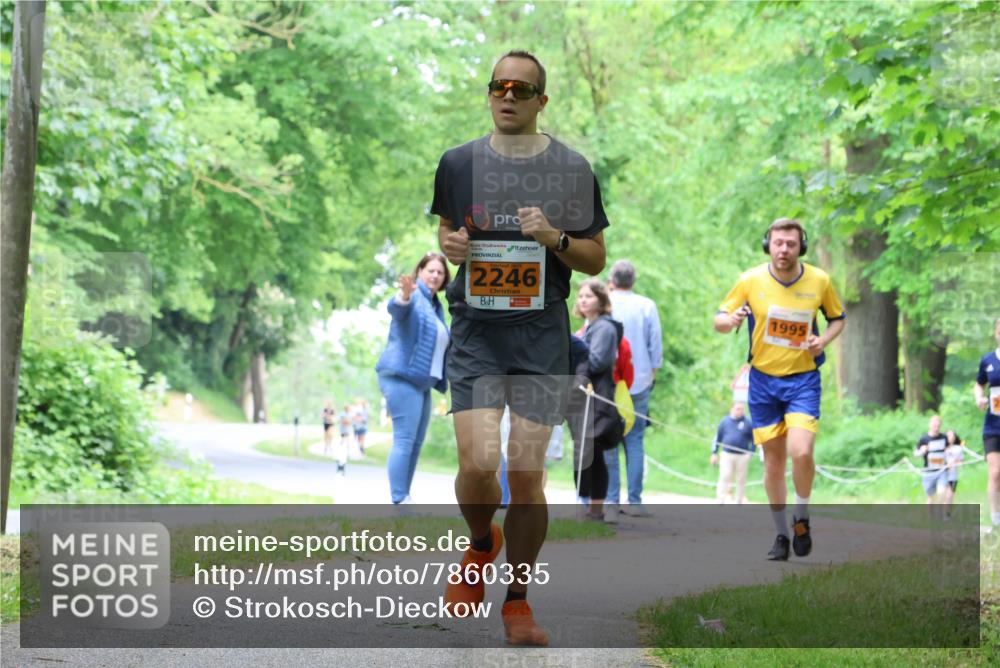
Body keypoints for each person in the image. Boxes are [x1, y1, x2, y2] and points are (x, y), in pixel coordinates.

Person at [433, 49, 609, 646]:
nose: (507, 95)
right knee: (478, 466)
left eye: (521, 88)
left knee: (525, 474)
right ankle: (483, 543)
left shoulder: (571, 168)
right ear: (489, 94)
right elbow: (446, 229)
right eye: (497, 86)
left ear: (541, 100)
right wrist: (453, 245)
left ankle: (517, 603)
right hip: (477, 331)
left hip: (539, 334)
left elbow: (593, 256)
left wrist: (552, 236)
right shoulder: (458, 163)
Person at [714, 218, 845, 561]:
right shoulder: (750, 280)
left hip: (803, 379)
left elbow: (838, 318)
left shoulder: (819, 280)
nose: (783, 249)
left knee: (801, 452)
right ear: (767, 245)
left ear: (801, 246)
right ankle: (780, 535)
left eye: (790, 243)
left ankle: (801, 517)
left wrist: (822, 341)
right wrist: (731, 321)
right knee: (773, 463)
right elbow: (719, 320)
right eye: (777, 243)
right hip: (762, 382)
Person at [375, 253, 451, 504]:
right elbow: (397, 308)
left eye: (440, 272)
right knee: (404, 440)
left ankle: (403, 497)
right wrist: (404, 294)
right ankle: (399, 498)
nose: (435, 275)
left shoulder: (435, 306)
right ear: (419, 272)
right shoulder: (415, 298)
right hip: (402, 378)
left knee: (415, 444)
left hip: (423, 383)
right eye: (430, 270)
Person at [604, 260, 662, 518]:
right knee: (635, 440)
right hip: (638, 381)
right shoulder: (646, 305)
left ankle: (611, 500)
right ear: (633, 281)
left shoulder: (605, 301)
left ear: (611, 280)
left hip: (608, 381)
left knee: (609, 441)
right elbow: (655, 342)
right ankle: (635, 500)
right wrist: (653, 371)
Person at [568, 279, 621, 522]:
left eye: (589, 296)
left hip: (597, 396)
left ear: (601, 299)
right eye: (580, 296)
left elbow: (598, 361)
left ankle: (594, 507)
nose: (583, 300)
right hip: (585, 396)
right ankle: (589, 506)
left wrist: (577, 357)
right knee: (587, 451)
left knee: (593, 451)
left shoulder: (604, 328)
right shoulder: (590, 327)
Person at [974, 316, 1000, 531]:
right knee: (995, 472)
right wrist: (979, 398)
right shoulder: (988, 360)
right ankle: (995, 518)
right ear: (996, 333)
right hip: (993, 425)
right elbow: (978, 385)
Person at [711, 402, 755, 504]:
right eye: (738, 409)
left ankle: (739, 500)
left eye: (742, 409)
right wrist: (714, 452)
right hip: (727, 454)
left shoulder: (748, 423)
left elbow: (754, 439)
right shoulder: (724, 421)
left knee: (741, 479)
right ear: (732, 409)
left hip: (742, 456)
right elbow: (718, 437)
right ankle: (720, 499)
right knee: (725, 476)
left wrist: (751, 453)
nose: (740, 411)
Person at [915, 415, 949, 513]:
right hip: (929, 472)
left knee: (941, 492)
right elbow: (916, 454)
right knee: (930, 497)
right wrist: (922, 451)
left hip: (942, 470)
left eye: (938, 426)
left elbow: (948, 449)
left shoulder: (944, 437)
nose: (936, 427)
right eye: (934, 425)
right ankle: (930, 517)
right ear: (930, 425)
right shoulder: (924, 439)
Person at [943, 429, 964, 518]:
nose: (949, 437)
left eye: (951, 435)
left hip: (953, 475)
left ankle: (948, 512)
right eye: (948, 435)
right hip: (942, 474)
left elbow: (961, 461)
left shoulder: (958, 448)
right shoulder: (941, 448)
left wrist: (956, 463)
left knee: (950, 495)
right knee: (944, 493)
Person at [337, 405, 353, 472]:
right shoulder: (342, 414)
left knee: (347, 441)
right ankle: (342, 450)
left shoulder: (350, 414)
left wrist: (348, 422)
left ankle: (347, 451)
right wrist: (345, 421)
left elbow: (350, 421)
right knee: (343, 440)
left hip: (348, 429)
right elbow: (341, 420)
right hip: (343, 429)